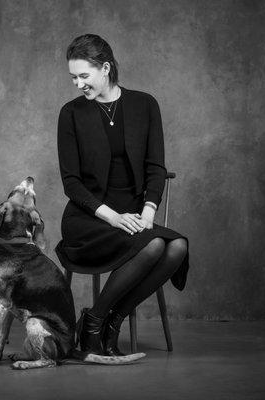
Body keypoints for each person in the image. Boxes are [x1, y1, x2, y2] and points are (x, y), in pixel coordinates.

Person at [55, 34, 190, 356]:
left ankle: (104, 320)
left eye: (83, 76)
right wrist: (113, 217)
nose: (77, 84)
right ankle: (95, 326)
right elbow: (71, 183)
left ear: (105, 68)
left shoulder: (145, 104)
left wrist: (148, 211)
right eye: (73, 77)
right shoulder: (71, 113)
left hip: (133, 213)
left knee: (178, 247)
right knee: (155, 244)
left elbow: (156, 167)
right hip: (90, 220)